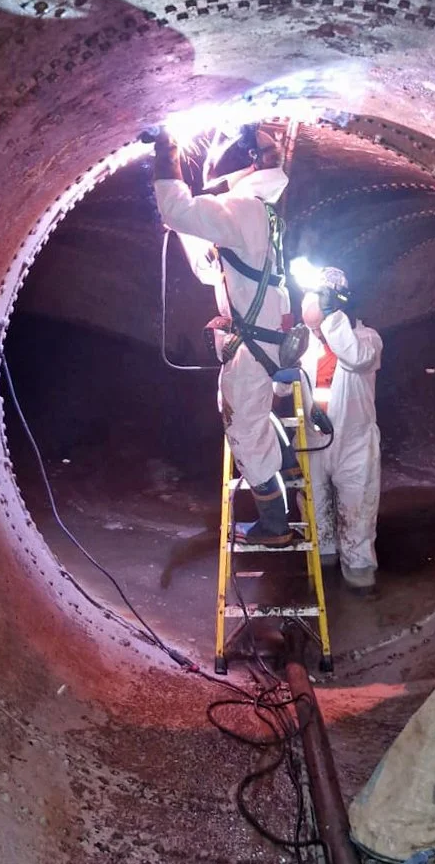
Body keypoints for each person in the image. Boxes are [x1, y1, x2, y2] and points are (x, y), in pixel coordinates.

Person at [153, 123, 297, 547]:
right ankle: (286, 467)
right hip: (264, 344)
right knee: (256, 418)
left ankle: (275, 527)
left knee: (246, 434)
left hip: (254, 351)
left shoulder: (243, 208)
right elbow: (210, 269)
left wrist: (167, 150)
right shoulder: (259, 212)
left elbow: (175, 209)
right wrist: (186, 227)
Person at [299, 268, 383, 594]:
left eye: (320, 299)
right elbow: (280, 387)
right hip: (313, 440)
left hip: (354, 442)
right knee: (316, 509)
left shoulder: (366, 338)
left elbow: (354, 356)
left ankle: (359, 572)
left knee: (357, 509)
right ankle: (324, 565)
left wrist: (331, 315)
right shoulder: (303, 344)